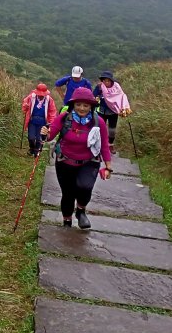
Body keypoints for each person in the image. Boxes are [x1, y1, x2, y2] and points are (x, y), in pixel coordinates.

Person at [46, 86, 112, 229]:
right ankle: (67, 221)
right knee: (68, 193)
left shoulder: (98, 121)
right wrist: (45, 133)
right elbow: (50, 135)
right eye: (78, 104)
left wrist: (108, 166)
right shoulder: (65, 118)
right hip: (65, 162)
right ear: (73, 105)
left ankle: (81, 211)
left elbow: (104, 145)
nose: (82, 108)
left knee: (85, 187)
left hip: (89, 162)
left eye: (86, 105)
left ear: (91, 106)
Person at [94, 70, 132, 153]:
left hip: (113, 111)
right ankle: (100, 146)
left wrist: (124, 108)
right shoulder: (100, 87)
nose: (106, 82)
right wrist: (97, 98)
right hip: (101, 110)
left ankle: (110, 144)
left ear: (111, 80)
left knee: (112, 130)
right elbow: (94, 95)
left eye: (108, 80)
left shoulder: (117, 87)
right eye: (104, 80)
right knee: (99, 128)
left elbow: (121, 96)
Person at [22, 83, 57, 157]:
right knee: (31, 137)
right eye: (39, 94)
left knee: (39, 138)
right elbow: (24, 106)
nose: (41, 96)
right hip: (32, 121)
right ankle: (32, 149)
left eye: (42, 95)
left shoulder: (49, 100)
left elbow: (52, 112)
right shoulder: (31, 97)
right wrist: (26, 106)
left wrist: (51, 123)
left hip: (42, 122)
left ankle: (36, 152)